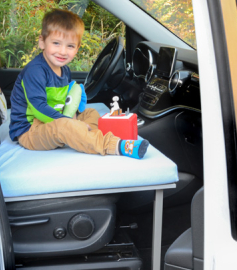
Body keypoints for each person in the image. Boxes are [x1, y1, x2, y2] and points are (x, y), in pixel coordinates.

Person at [9, 9, 149, 159]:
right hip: (31, 130)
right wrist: (71, 123)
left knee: (91, 113)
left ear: (77, 48)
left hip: (55, 121)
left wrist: (74, 118)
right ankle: (115, 146)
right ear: (42, 42)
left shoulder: (65, 70)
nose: (62, 51)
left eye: (70, 46)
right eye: (56, 43)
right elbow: (39, 109)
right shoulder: (35, 71)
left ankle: (84, 137)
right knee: (65, 126)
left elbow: (67, 100)